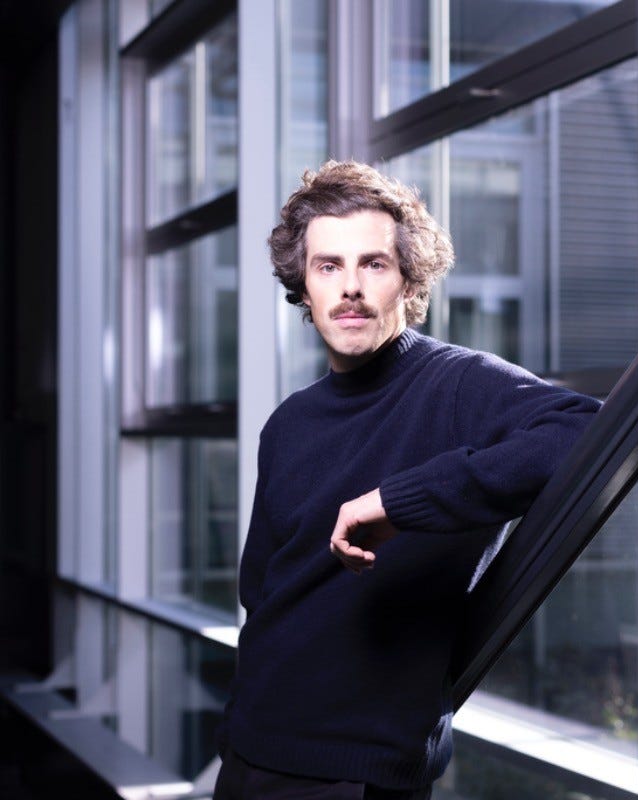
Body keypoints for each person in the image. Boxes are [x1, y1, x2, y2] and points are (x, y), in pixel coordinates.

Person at [214, 161, 600, 800]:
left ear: (409, 279)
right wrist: (234, 732)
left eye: (373, 264)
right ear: (303, 285)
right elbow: (261, 595)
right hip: (250, 747)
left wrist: (399, 502)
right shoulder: (288, 423)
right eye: (328, 266)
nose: (350, 288)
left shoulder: (457, 384)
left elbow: (586, 431)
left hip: (360, 769)